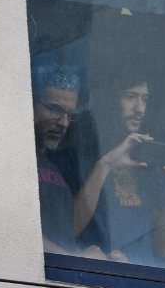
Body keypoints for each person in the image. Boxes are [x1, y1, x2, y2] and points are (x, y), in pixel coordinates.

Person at [72, 73, 165, 263]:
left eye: (145, 99)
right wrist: (105, 166)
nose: (140, 109)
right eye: (130, 97)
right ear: (109, 99)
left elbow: (161, 248)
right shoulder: (82, 155)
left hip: (140, 277)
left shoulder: (145, 159)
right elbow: (69, 229)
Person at [31, 65, 122, 261]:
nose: (63, 122)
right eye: (55, 110)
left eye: (69, 114)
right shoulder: (18, 160)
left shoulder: (53, 165)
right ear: (31, 104)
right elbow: (19, 230)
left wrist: (105, 165)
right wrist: (74, 260)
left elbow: (68, 229)